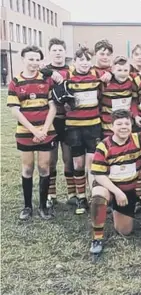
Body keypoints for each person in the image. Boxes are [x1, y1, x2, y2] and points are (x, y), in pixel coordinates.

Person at [89, 109, 141, 255]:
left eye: (127, 123)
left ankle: (115, 209)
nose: (123, 127)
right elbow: (99, 175)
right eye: (119, 124)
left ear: (132, 125)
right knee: (98, 196)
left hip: (128, 190)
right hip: (109, 186)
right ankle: (97, 238)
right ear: (111, 127)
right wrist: (117, 192)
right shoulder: (104, 146)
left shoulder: (139, 139)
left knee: (124, 231)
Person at [7, 45, 57, 220]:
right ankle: (27, 206)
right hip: (26, 132)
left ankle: (43, 206)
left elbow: (52, 107)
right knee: (27, 169)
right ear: (23, 59)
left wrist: (43, 129)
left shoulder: (46, 80)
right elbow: (15, 110)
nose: (34, 63)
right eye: (31, 59)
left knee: (44, 167)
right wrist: (34, 130)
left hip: (46, 131)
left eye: (37, 59)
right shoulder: (15, 81)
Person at [65, 47, 103, 215]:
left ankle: (94, 195)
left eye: (87, 60)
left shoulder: (97, 77)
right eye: (80, 60)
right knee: (78, 163)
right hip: (74, 126)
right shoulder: (68, 78)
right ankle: (81, 197)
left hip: (93, 125)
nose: (84, 63)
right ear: (75, 62)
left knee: (92, 163)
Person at [44, 38, 77, 208]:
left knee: (68, 158)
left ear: (65, 52)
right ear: (50, 52)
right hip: (51, 120)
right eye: (54, 50)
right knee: (50, 160)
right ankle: (51, 194)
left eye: (60, 50)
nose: (58, 53)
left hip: (68, 120)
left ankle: (72, 193)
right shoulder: (45, 71)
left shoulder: (71, 70)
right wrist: (48, 72)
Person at [100, 56, 135, 138]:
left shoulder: (133, 80)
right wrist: (109, 73)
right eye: (119, 70)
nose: (122, 73)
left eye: (125, 70)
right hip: (108, 126)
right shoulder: (105, 81)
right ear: (113, 70)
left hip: (126, 126)